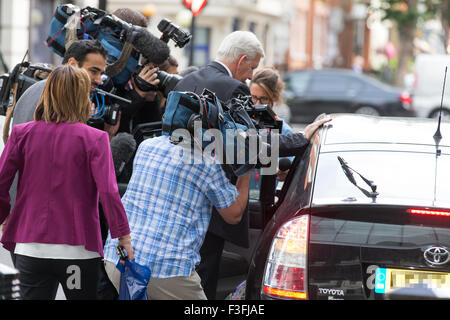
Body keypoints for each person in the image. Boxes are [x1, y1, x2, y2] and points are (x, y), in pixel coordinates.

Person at [173, 30, 331, 299]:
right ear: (242, 59)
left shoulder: (186, 80)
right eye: (252, 67)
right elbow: (252, 144)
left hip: (178, 196)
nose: (250, 75)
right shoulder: (234, 88)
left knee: (179, 275)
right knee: (205, 280)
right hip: (213, 203)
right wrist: (301, 139)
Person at [0, 65, 133, 300]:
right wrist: (123, 238)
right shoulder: (95, 139)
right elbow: (109, 193)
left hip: (30, 246)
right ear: (82, 97)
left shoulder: (21, 134)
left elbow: (1, 183)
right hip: (78, 250)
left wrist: (3, 217)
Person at [102, 133, 252, 299]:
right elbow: (234, 213)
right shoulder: (207, 162)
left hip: (117, 259)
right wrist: (247, 168)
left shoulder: (146, 146)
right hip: (167, 271)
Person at [250, 66, 293, 184]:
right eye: (254, 97)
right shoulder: (241, 123)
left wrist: (285, 173)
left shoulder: (285, 131)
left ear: (274, 97)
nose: (257, 104)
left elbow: (289, 169)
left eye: (263, 99)